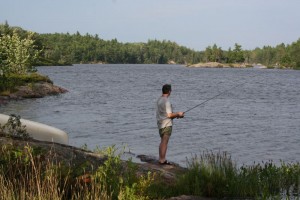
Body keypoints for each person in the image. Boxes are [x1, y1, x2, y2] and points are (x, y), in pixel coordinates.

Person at [156, 84, 184, 165]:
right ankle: (163, 160)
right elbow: (169, 115)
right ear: (169, 91)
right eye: (170, 90)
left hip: (160, 124)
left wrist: (176, 116)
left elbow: (164, 114)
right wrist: (178, 114)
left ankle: (160, 158)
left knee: (162, 142)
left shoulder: (159, 100)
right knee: (165, 142)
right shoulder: (166, 101)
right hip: (167, 125)